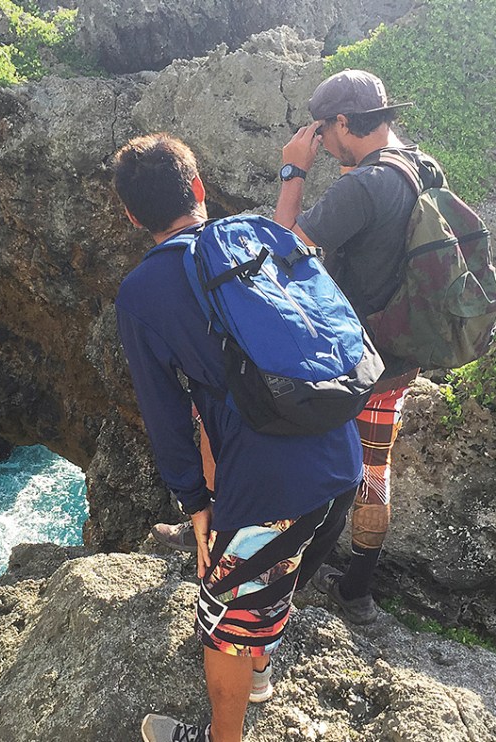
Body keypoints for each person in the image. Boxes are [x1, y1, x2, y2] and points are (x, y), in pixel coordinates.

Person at [111, 133, 362, 742]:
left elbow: (165, 413)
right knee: (276, 578)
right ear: (199, 189)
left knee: (223, 622)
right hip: (340, 452)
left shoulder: (141, 292)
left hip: (270, 482)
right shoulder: (260, 237)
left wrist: (195, 504)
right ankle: (262, 668)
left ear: (131, 216)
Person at [271, 68, 437, 624]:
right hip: (399, 353)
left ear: (343, 122)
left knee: (317, 465)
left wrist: (293, 170)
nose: (320, 138)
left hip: (351, 357)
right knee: (374, 469)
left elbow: (285, 250)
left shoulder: (361, 186)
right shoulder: (417, 164)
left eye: (323, 128)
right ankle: (358, 589)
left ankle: (281, 573)